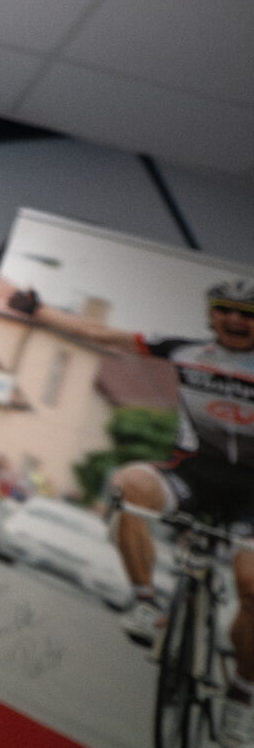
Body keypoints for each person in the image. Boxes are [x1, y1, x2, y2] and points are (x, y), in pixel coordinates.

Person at [26, 278, 254, 746]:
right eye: (225, 309)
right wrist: (40, 312)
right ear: (211, 314)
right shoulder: (187, 351)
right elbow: (106, 335)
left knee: (253, 586)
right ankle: (146, 603)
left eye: (247, 313)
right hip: (194, 475)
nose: (235, 319)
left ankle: (242, 695)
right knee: (128, 485)